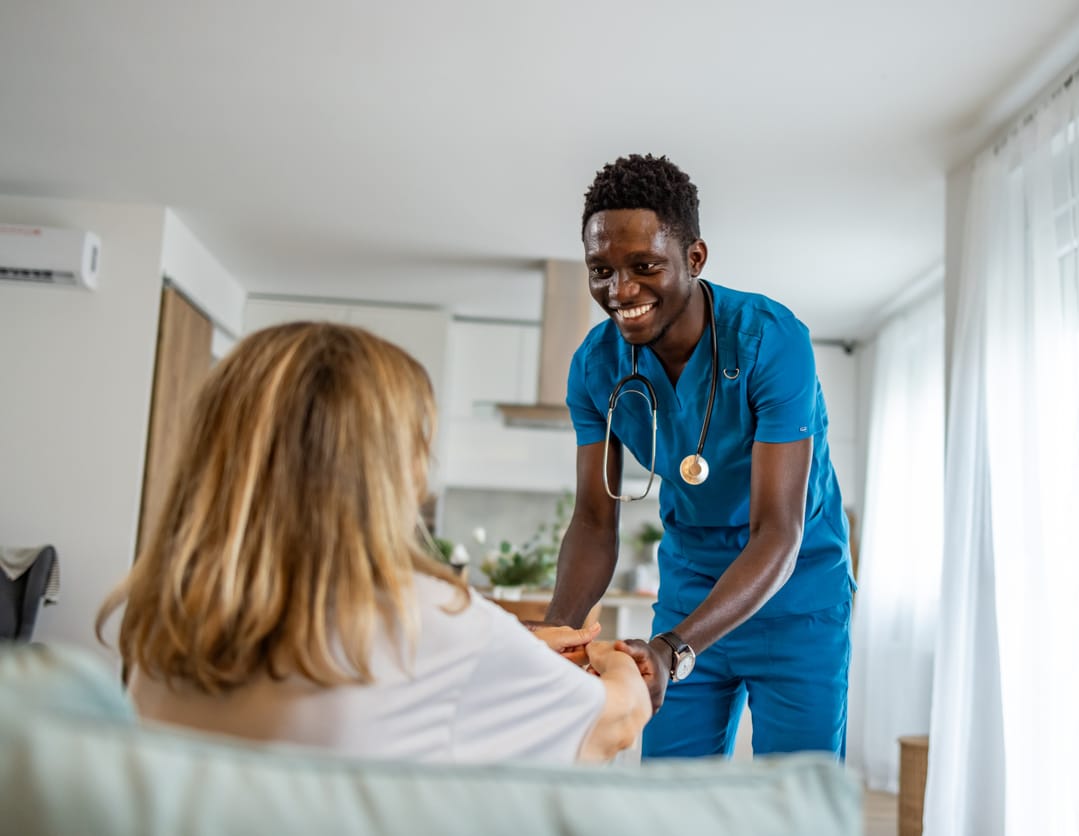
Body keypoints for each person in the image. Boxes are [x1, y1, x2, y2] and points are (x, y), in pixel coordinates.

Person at [97, 322, 650, 764]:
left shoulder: (164, 622)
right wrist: (614, 660)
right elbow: (616, 722)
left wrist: (516, 654)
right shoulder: (428, 622)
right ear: (390, 467)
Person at [544, 154, 855, 759]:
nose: (620, 290)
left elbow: (778, 532)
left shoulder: (770, 340)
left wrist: (673, 649)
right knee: (671, 797)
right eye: (600, 269)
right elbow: (591, 520)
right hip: (690, 587)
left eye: (644, 266)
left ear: (694, 259)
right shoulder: (595, 367)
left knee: (796, 802)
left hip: (797, 596)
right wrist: (559, 632)